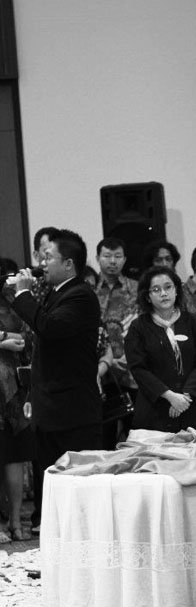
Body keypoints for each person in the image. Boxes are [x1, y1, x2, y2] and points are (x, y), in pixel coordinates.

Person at [9, 230, 102, 526]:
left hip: (72, 412)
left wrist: (23, 294)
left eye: (48, 257)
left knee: (77, 489)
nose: (42, 263)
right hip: (50, 408)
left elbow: (49, 327)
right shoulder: (57, 292)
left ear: (69, 264)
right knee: (53, 485)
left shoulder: (81, 295)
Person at [124, 267, 196, 433]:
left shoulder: (193, 322)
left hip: (194, 405)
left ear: (176, 290)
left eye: (168, 287)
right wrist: (170, 396)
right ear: (147, 296)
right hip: (155, 410)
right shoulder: (138, 327)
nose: (163, 293)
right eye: (156, 290)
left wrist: (185, 397)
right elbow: (138, 368)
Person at [0, 258, 34, 542]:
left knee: (15, 456)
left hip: (16, 387)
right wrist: (3, 339)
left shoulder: (19, 301)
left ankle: (15, 520)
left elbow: (35, 331)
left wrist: (19, 338)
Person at [95, 237, 138, 448]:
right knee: (104, 440)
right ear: (98, 258)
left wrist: (128, 357)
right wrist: (107, 360)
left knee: (136, 436)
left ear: (125, 259)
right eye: (107, 256)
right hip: (101, 374)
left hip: (133, 373)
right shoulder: (88, 290)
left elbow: (143, 328)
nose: (112, 261)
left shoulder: (136, 289)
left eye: (117, 256)